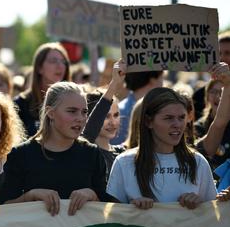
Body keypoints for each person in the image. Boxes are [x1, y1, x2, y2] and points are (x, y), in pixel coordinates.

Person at [106, 70, 225, 209]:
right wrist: (131, 208)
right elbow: (111, 217)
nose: (177, 124)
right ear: (148, 122)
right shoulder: (124, 162)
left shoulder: (198, 162)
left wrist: (200, 204)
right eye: (168, 118)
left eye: (181, 118)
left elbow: (212, 215)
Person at [0, 81, 109, 216]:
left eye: (84, 112)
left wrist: (92, 195)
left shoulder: (92, 154)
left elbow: (108, 209)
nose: (80, 118)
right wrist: (30, 196)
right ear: (51, 113)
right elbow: (2, 209)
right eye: (72, 111)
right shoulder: (21, 155)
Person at [14, 43, 70, 137]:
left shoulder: (74, 102)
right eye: (53, 61)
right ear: (39, 68)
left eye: (63, 61)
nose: (60, 66)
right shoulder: (20, 104)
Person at [82, 60, 126, 179]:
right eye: (106, 116)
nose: (112, 122)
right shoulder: (84, 149)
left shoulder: (123, 154)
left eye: (116, 115)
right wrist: (115, 83)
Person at [116, 70, 163, 145]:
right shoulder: (119, 113)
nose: (162, 83)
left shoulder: (119, 111)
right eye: (161, 78)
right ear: (153, 80)